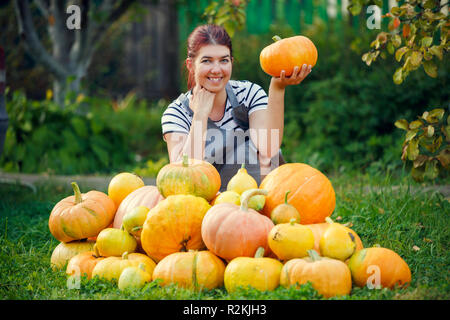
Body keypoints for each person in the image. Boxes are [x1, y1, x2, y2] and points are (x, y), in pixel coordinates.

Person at [161, 24, 312, 190]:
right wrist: (200, 115)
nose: (217, 69)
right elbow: (182, 178)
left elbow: (269, 149)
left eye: (224, 60)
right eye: (207, 61)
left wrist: (277, 88)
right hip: (208, 205)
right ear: (191, 65)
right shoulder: (176, 113)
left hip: (258, 198)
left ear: (231, 62)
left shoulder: (248, 94)